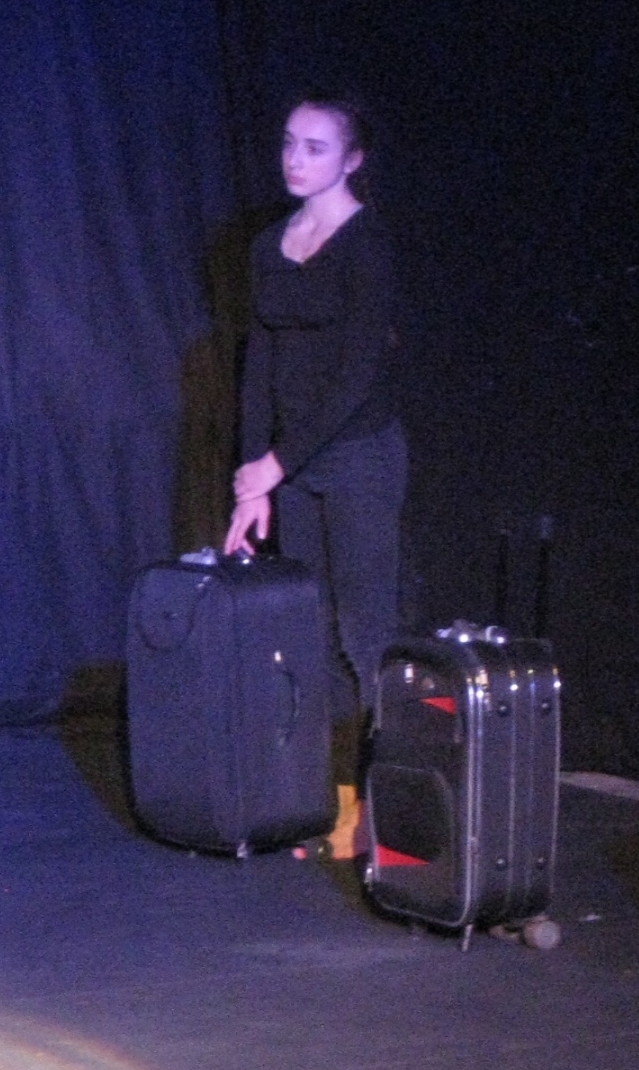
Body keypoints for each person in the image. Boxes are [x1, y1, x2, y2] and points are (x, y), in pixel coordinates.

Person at [225, 97, 405, 861]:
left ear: (351, 160)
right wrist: (253, 479)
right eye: (289, 143)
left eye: (316, 147)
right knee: (311, 633)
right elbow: (259, 367)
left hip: (357, 454)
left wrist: (280, 461)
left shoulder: (366, 248)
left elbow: (356, 378)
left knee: (365, 635)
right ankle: (330, 802)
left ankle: (381, 810)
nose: (295, 159)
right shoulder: (269, 245)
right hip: (291, 467)